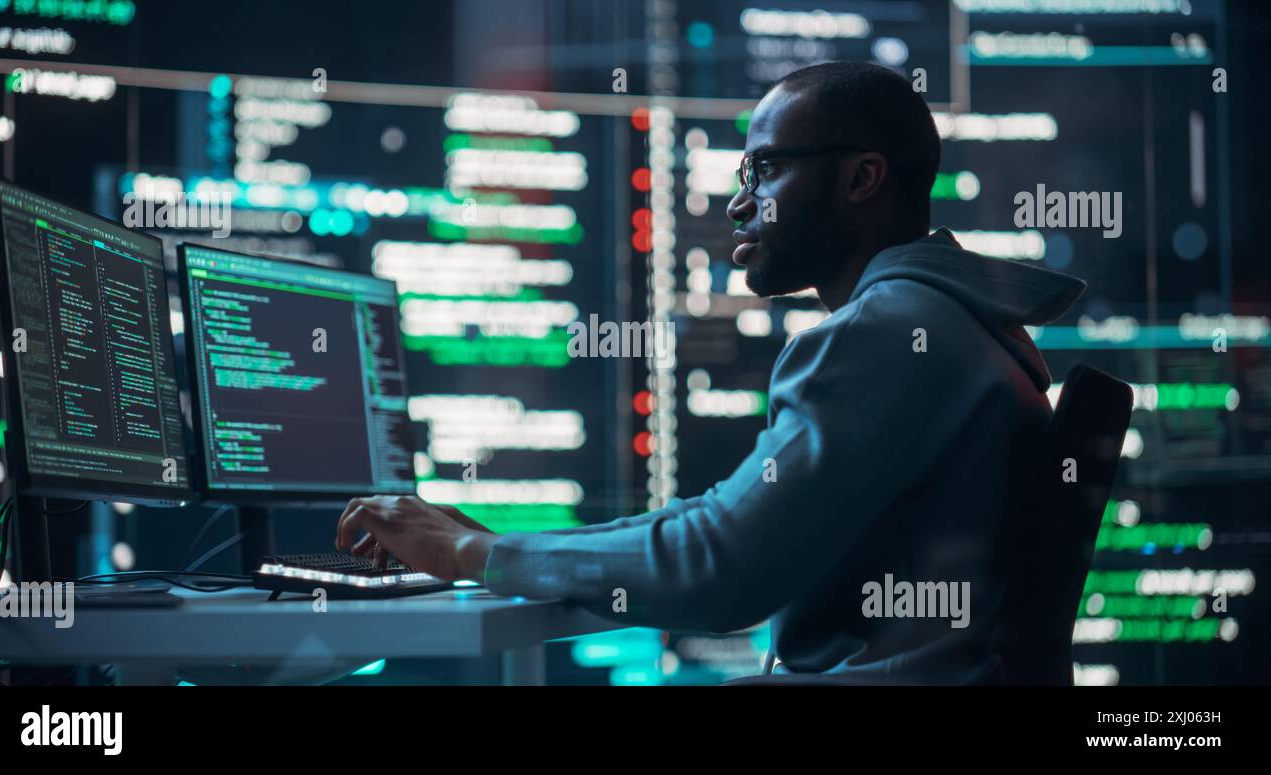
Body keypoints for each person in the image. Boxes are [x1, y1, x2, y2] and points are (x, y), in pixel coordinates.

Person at [334, 61, 1086, 683]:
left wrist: (470, 553)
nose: (737, 202)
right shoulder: (960, 322)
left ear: (862, 179)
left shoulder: (886, 333)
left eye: (764, 170)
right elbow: (725, 521)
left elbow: (721, 566)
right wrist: (507, 543)